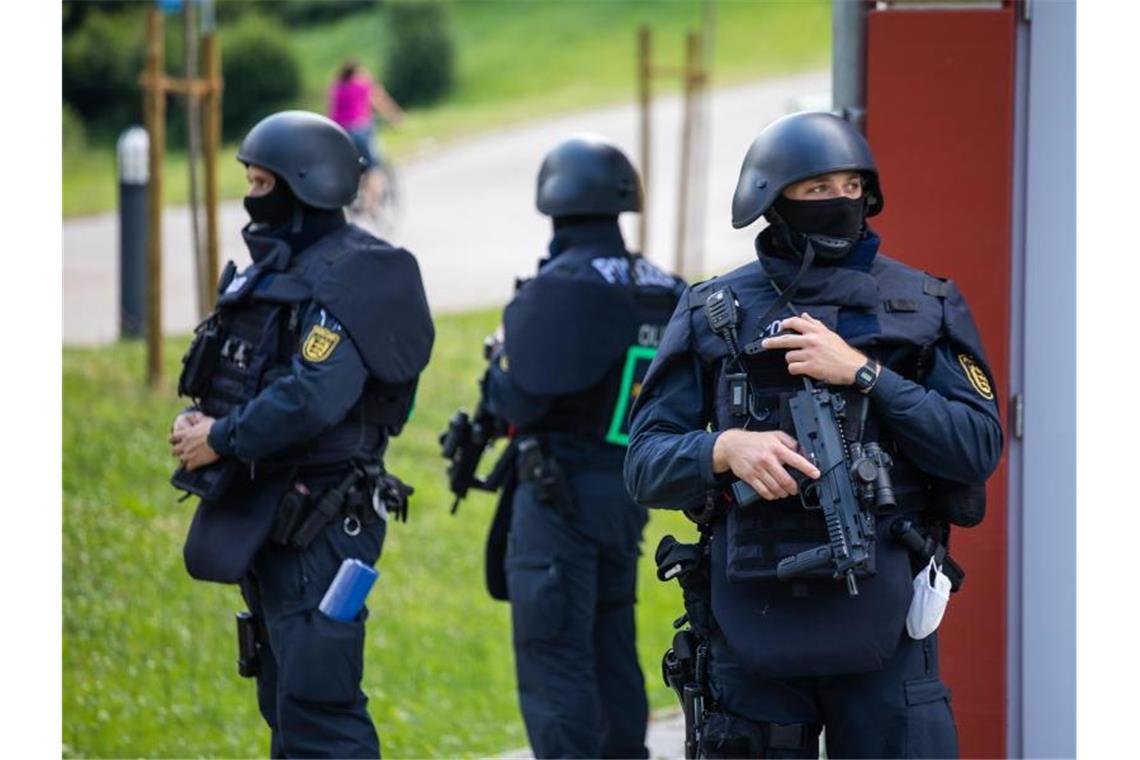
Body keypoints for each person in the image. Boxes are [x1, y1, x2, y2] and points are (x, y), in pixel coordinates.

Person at [624, 111, 1003, 758]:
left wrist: (864, 375)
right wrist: (721, 450)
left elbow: (975, 446)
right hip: (752, 626)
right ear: (773, 200)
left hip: (884, 623)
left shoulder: (925, 304)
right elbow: (644, 464)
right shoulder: (713, 311)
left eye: (851, 187)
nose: (840, 203)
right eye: (817, 190)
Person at [168, 110, 434, 758]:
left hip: (323, 521)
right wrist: (203, 423)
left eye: (263, 184)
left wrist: (224, 437)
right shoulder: (288, 268)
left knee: (321, 710)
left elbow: (314, 394)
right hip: (270, 512)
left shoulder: (355, 274)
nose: (251, 198)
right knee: (284, 701)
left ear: (307, 185)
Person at [475, 135, 686, 758]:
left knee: (555, 660)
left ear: (554, 200)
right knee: (611, 645)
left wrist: (494, 365)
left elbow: (518, 396)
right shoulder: (662, 285)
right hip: (627, 490)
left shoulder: (561, 285)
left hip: (558, 497)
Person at [329, 60, 404, 212]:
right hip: (360, 130)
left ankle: (356, 194)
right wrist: (394, 117)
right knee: (374, 168)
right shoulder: (363, 85)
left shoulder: (336, 88)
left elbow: (331, 111)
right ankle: (371, 205)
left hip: (340, 133)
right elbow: (381, 103)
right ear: (356, 73)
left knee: (353, 166)